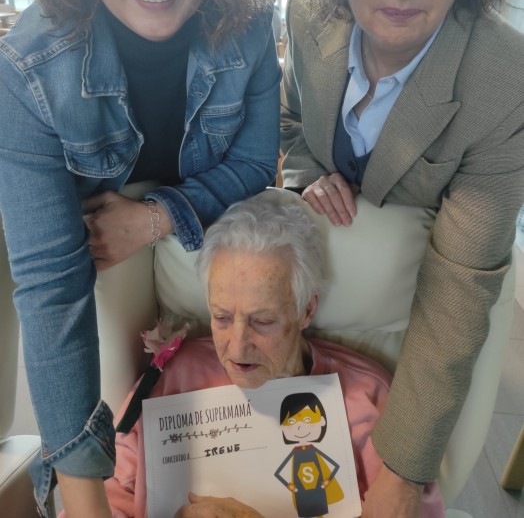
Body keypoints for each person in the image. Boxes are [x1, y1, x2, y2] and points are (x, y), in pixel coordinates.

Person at [0, 0, 280, 515]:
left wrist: (154, 219)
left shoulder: (248, 24)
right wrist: (82, 498)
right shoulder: (26, 68)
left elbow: (255, 161)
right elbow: (51, 285)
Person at [280, 0, 524, 516]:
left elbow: (458, 293)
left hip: (412, 333)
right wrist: (306, 173)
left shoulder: (504, 82)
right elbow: (292, 119)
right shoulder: (309, 10)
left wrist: (401, 474)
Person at [80, 193, 442, 518]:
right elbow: (109, 494)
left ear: (306, 309)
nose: (237, 348)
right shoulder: (175, 373)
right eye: (222, 318)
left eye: (263, 321)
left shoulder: (367, 396)